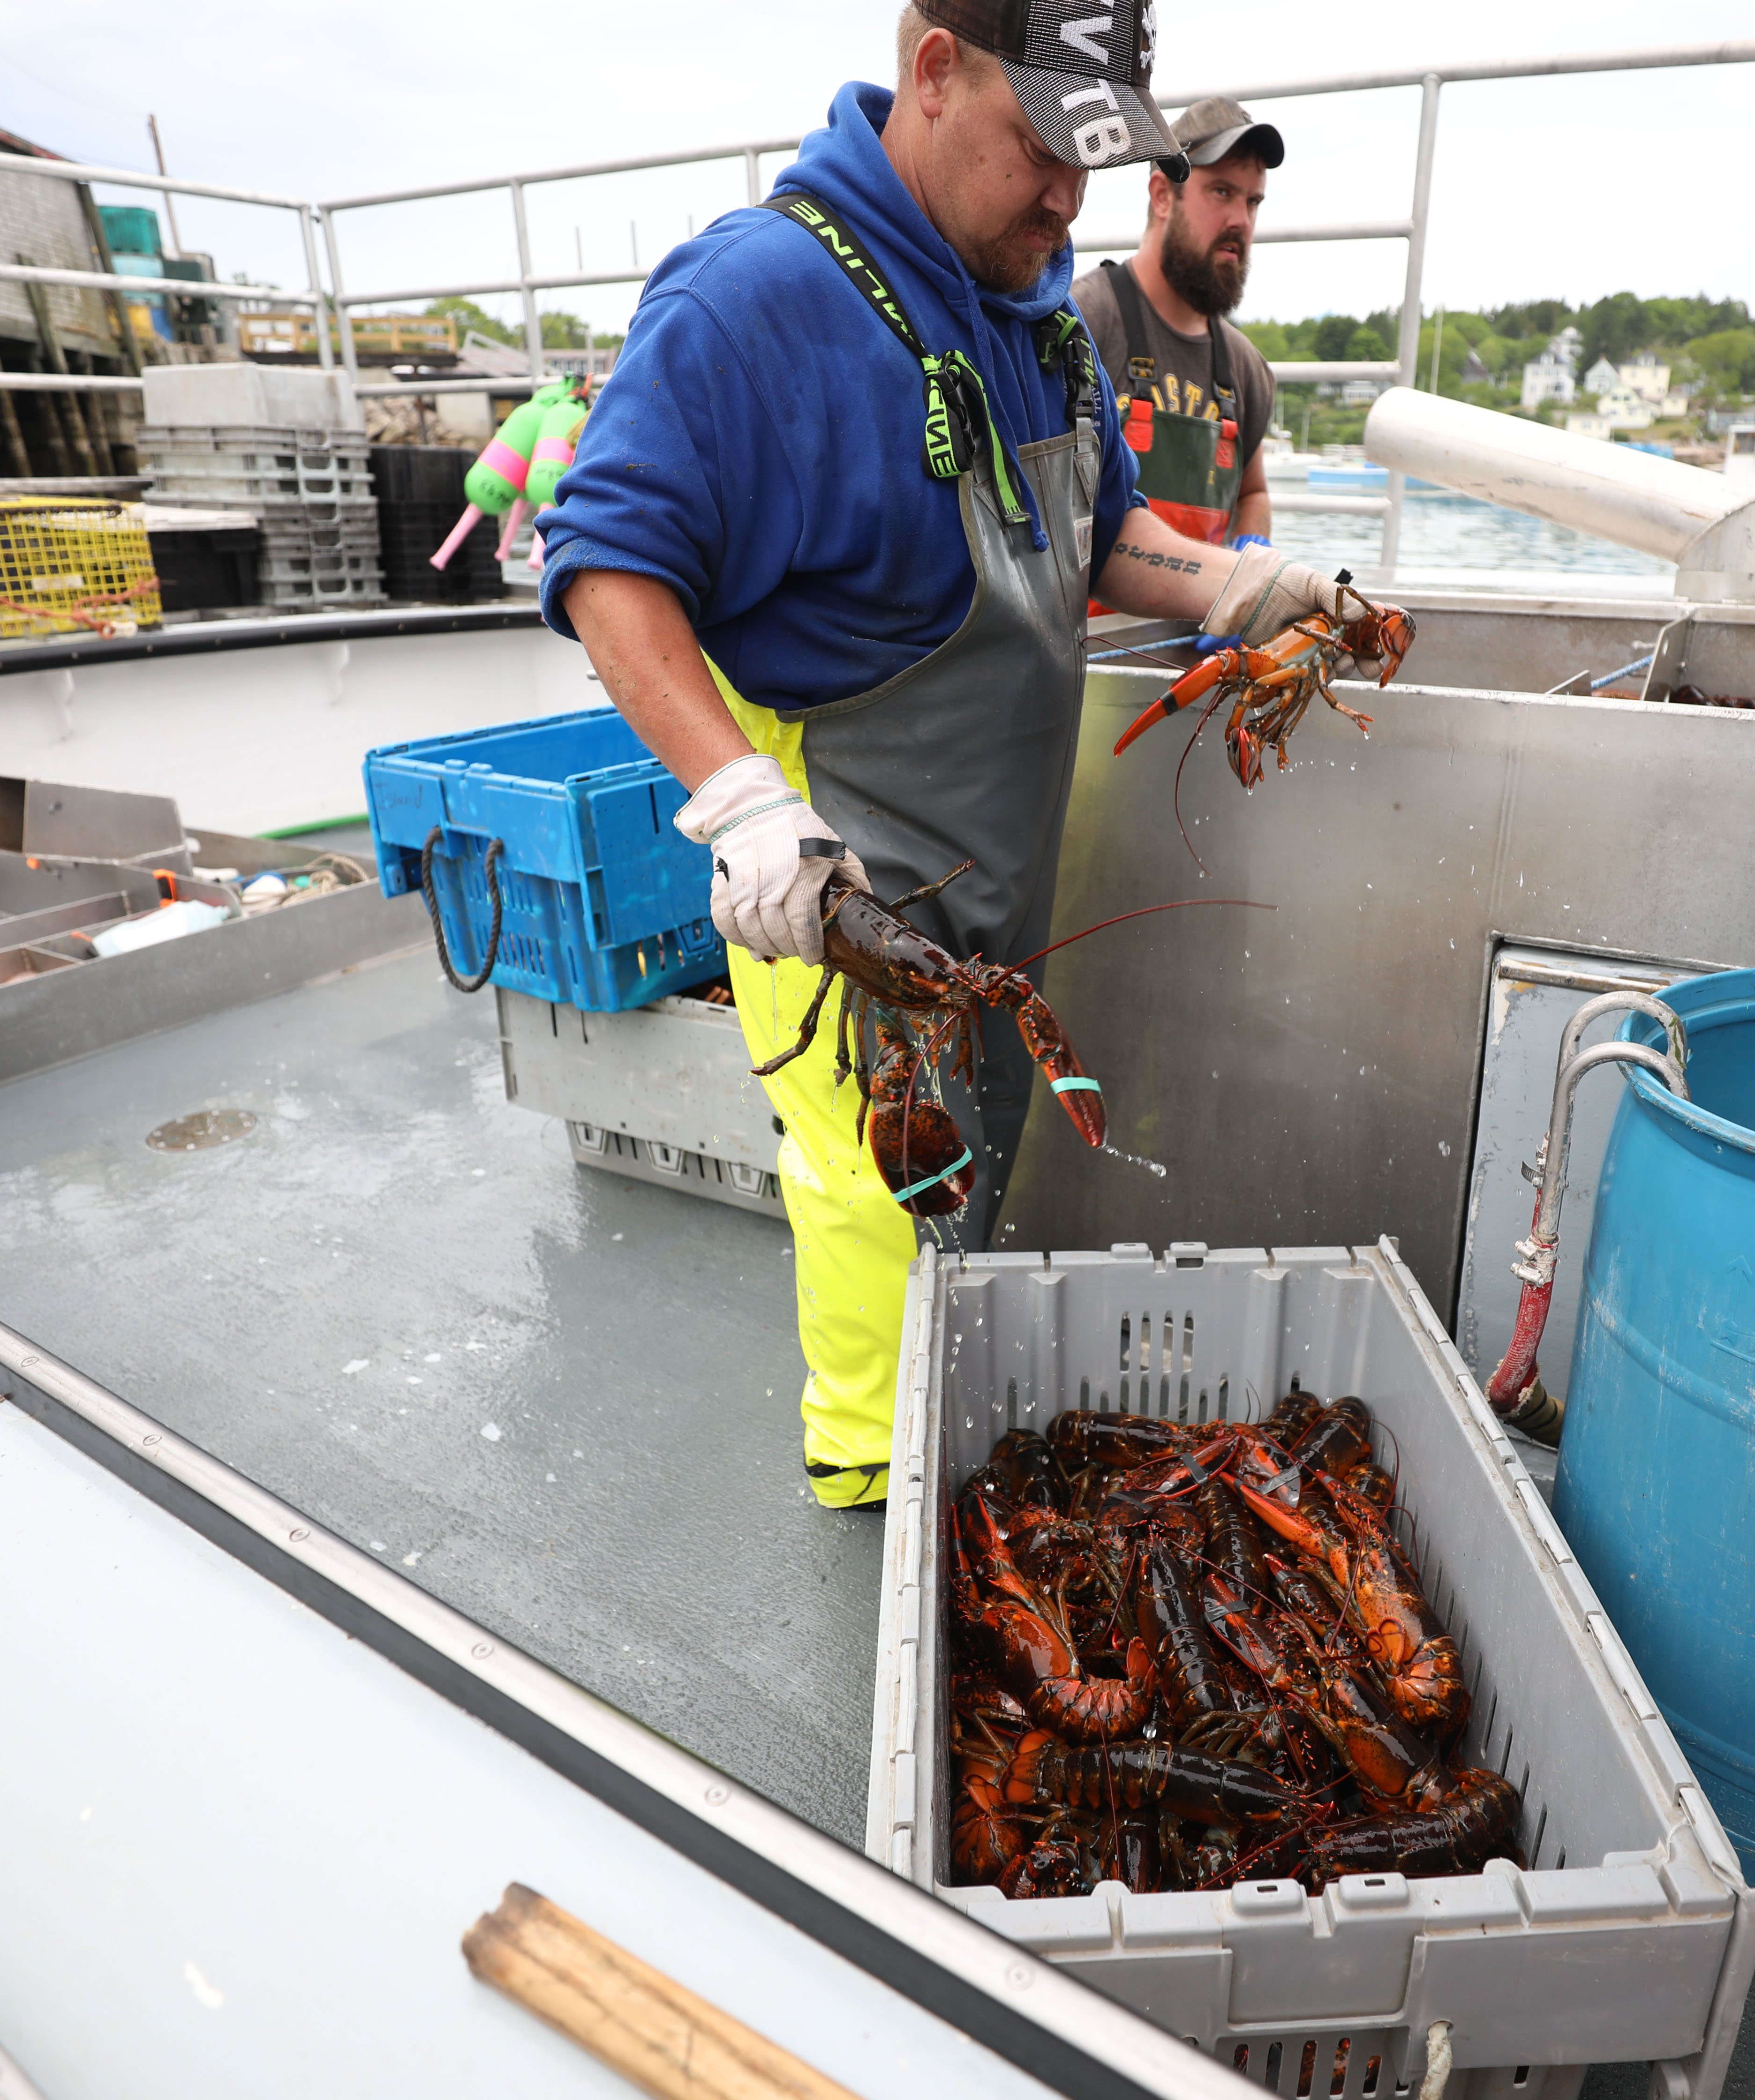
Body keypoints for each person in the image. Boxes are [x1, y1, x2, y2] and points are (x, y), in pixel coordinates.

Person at [535, 0, 1369, 1508]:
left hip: (999, 886)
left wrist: (1240, 586)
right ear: (931, 71)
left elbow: (1103, 533)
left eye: (1094, 158)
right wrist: (741, 807)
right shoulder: (756, 295)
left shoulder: (1038, 311)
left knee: (977, 1163)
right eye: (1042, 145)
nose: (1068, 195)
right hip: (838, 885)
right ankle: (874, 1489)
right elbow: (605, 562)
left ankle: (951, 1456)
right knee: (874, 1204)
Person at [1072, 95, 1282, 550]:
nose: (1241, 221)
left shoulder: (1246, 369)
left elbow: (1253, 493)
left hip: (1208, 597)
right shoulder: (1082, 325)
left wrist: (1251, 553)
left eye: (1253, 201)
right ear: (1163, 195)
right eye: (1222, 192)